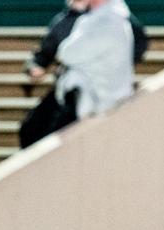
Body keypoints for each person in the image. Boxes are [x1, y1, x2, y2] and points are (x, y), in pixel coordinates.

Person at [19, 0, 147, 147]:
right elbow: (48, 50)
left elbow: (137, 45)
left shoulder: (112, 17)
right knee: (31, 129)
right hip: (70, 86)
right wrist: (36, 66)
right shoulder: (64, 21)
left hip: (97, 89)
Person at [55, 0, 136, 120]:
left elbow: (67, 53)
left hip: (103, 108)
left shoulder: (109, 20)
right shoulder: (99, 18)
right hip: (98, 106)